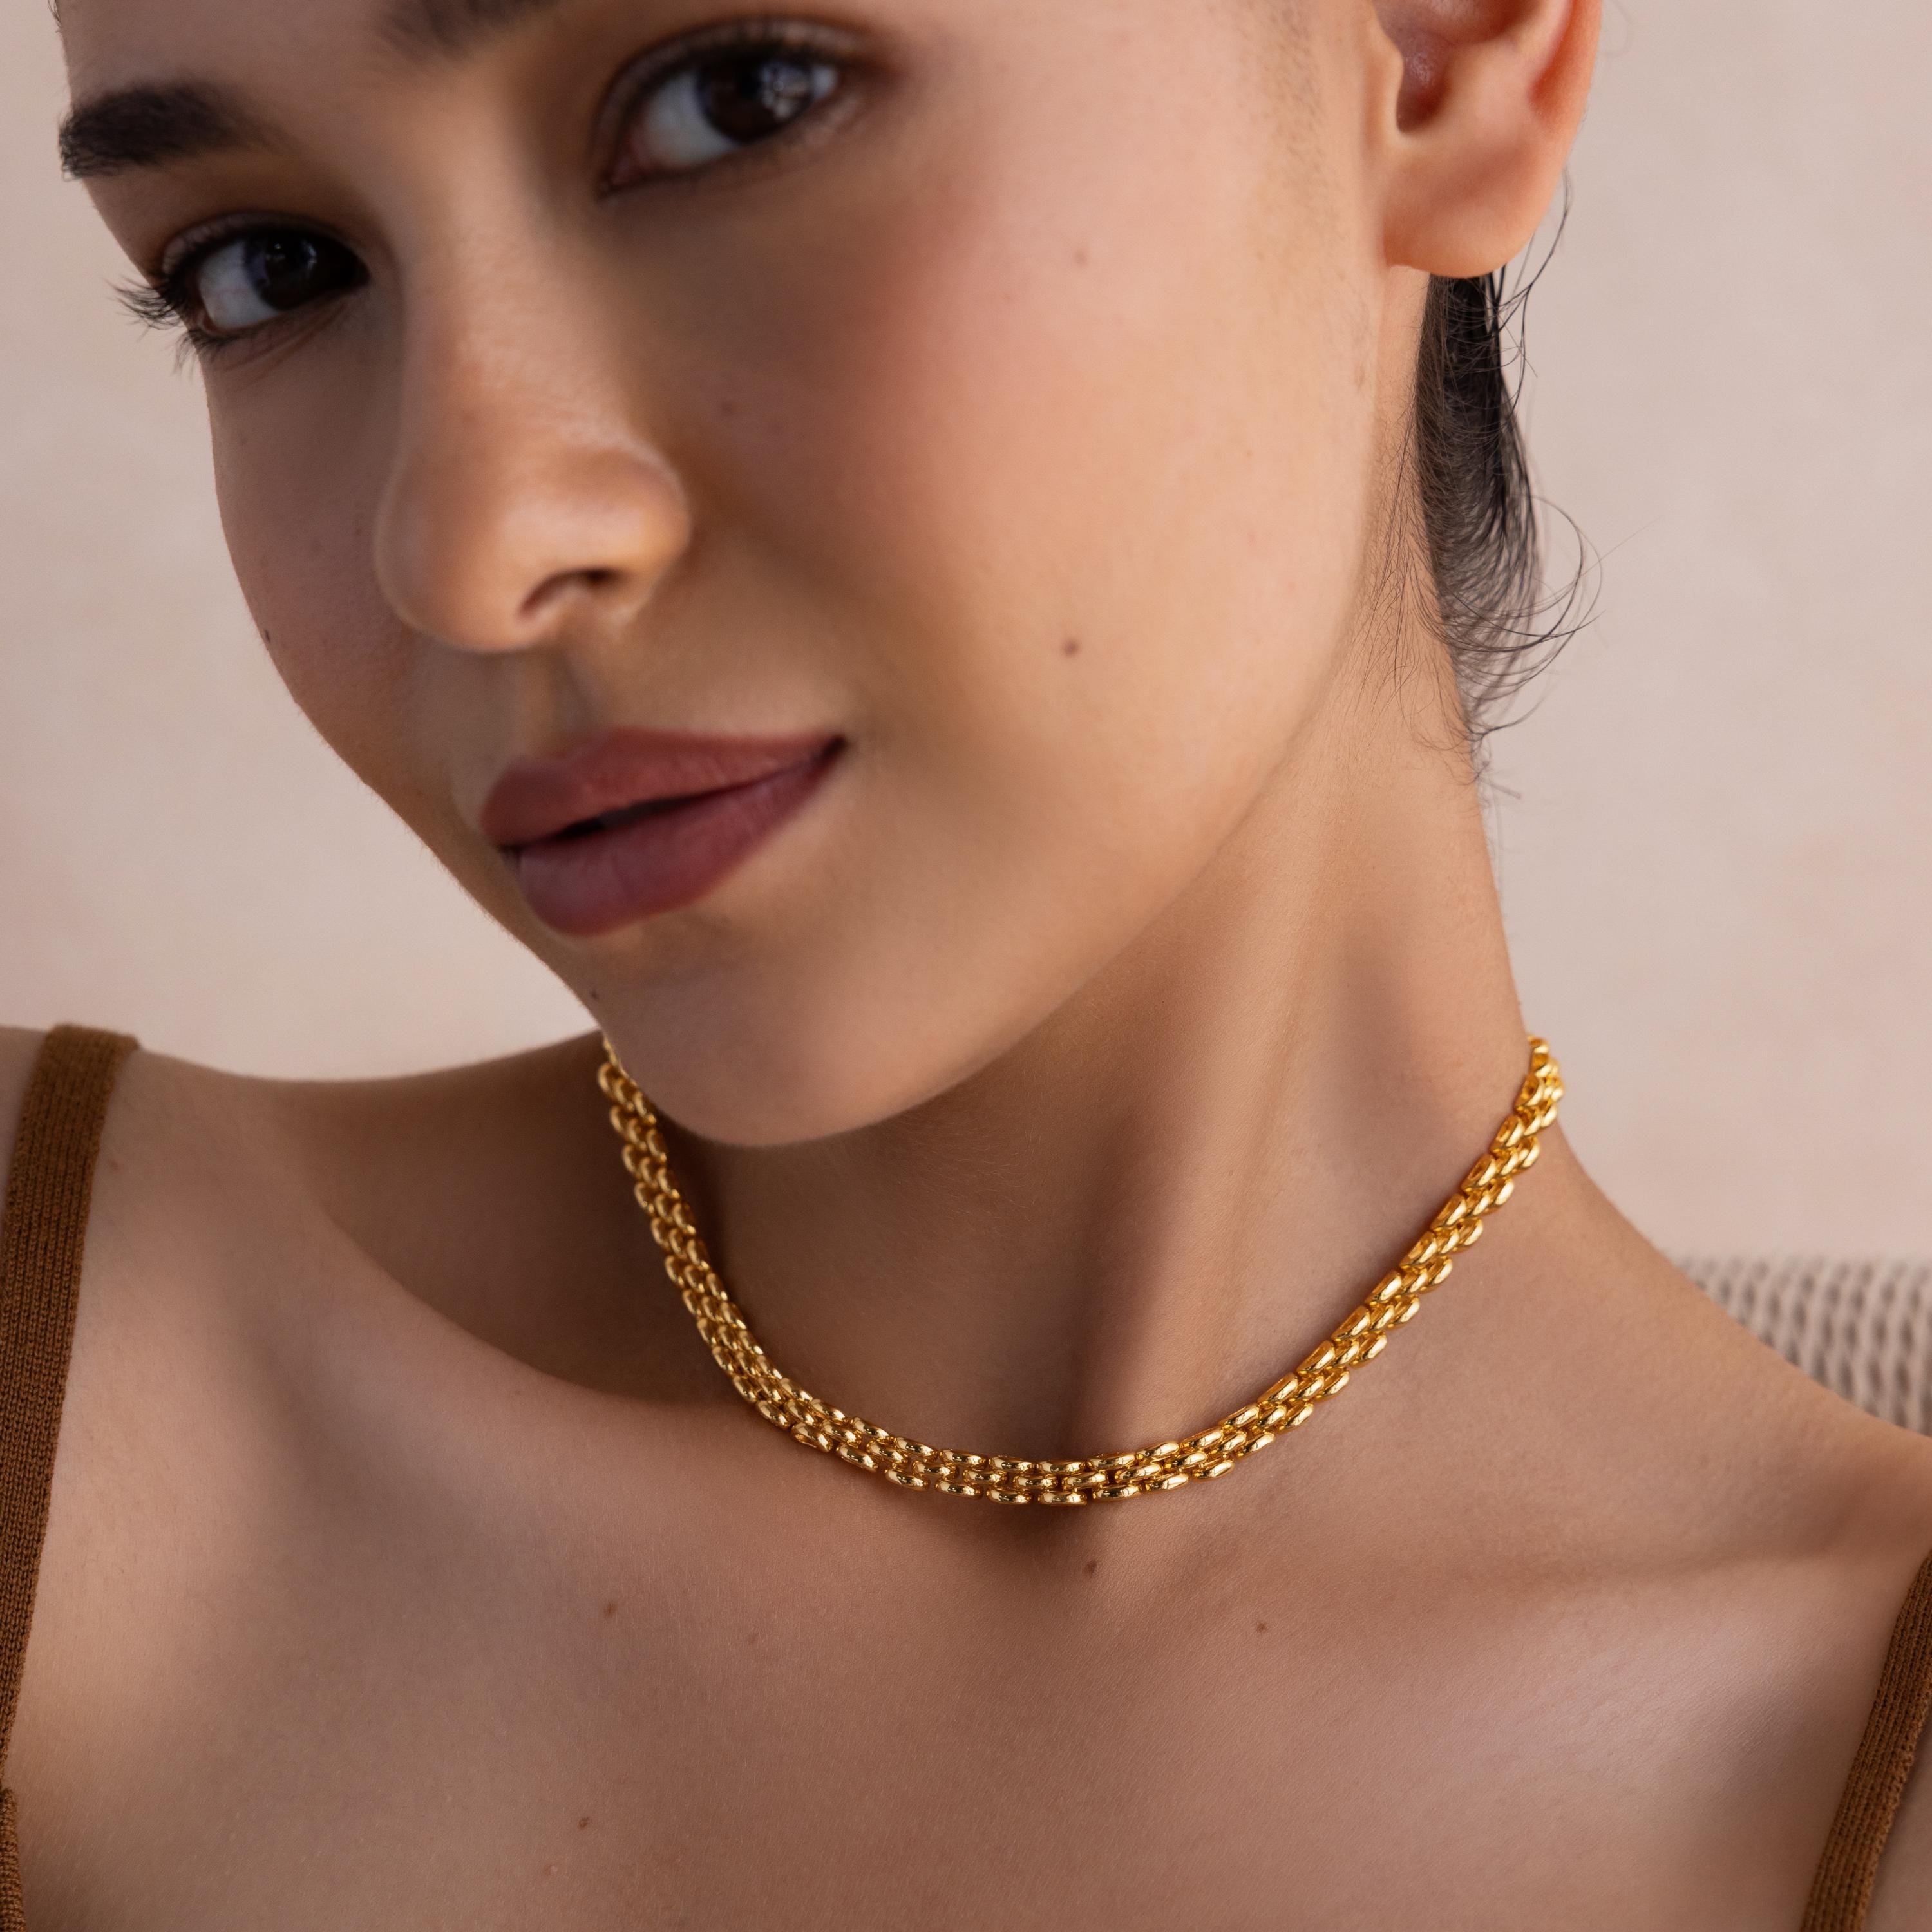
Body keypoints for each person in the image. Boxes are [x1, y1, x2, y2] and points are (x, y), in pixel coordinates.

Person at [4, 0, 1928, 1924]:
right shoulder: (72, 1382)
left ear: (1429, 56)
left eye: (732, 102)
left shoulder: (1858, 1764)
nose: (473, 541)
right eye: (269, 272)